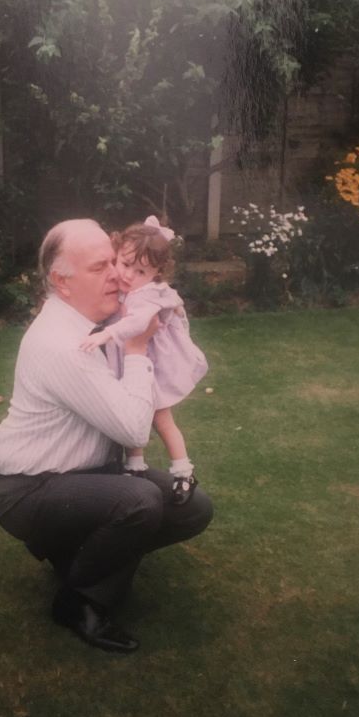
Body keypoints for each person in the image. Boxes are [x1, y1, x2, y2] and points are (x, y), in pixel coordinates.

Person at [0, 219, 213, 654]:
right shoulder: (61, 344)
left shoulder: (97, 323)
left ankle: (76, 553)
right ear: (62, 282)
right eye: (99, 267)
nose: (116, 274)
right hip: (30, 490)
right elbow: (132, 427)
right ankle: (80, 602)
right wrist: (135, 351)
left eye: (114, 260)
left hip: (86, 473)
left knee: (191, 508)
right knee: (139, 502)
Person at [80, 216, 208, 504]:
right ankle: (135, 467)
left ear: (156, 273)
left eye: (140, 271)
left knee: (161, 419)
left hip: (150, 366)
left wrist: (107, 334)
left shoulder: (147, 295)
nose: (128, 275)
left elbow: (137, 324)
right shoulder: (131, 289)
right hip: (131, 362)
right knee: (132, 413)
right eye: (125, 264)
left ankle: (183, 472)